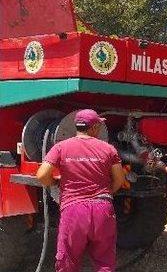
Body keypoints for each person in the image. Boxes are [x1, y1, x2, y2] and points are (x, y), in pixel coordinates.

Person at [36, 109, 125, 272]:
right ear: (93, 127)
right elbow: (119, 179)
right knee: (104, 261)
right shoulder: (108, 149)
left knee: (68, 261)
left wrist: (54, 182)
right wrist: (105, 194)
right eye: (98, 124)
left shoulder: (61, 147)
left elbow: (42, 175)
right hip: (102, 209)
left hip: (73, 210)